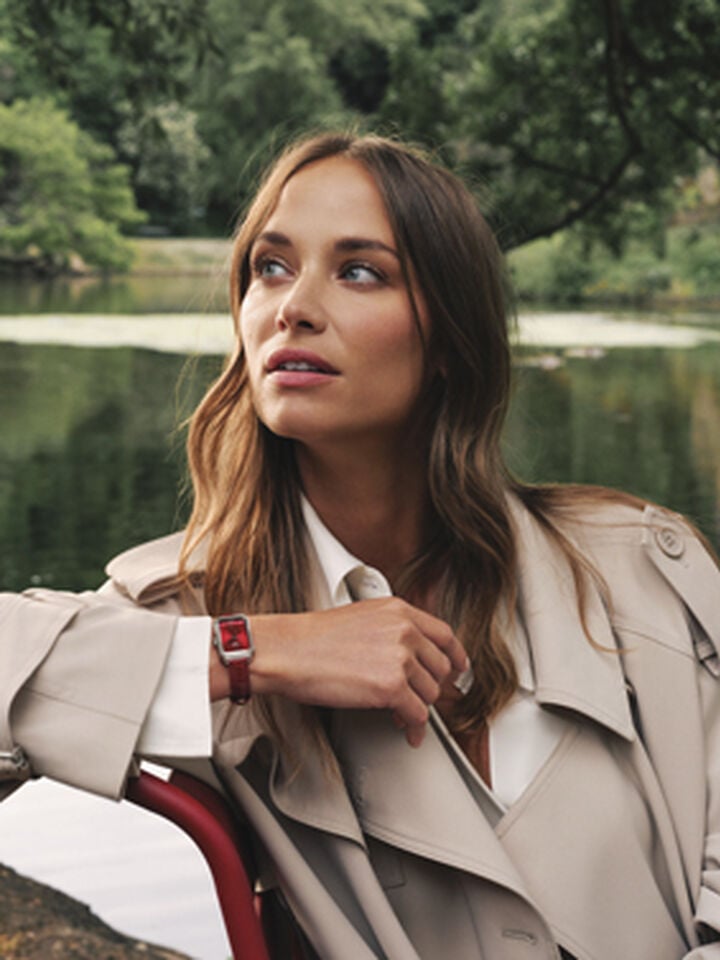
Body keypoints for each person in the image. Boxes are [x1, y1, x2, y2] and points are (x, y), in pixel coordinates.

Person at [1, 131, 720, 960]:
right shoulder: (196, 609)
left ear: (450, 339)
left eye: (359, 271)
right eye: (270, 268)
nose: (292, 306)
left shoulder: (645, 574)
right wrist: (254, 652)